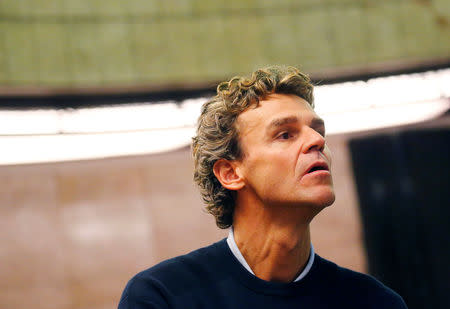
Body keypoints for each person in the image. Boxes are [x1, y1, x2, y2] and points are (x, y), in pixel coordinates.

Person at [118, 66, 408, 308]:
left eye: (318, 131)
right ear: (230, 173)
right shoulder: (161, 297)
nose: (317, 141)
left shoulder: (377, 302)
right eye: (285, 135)